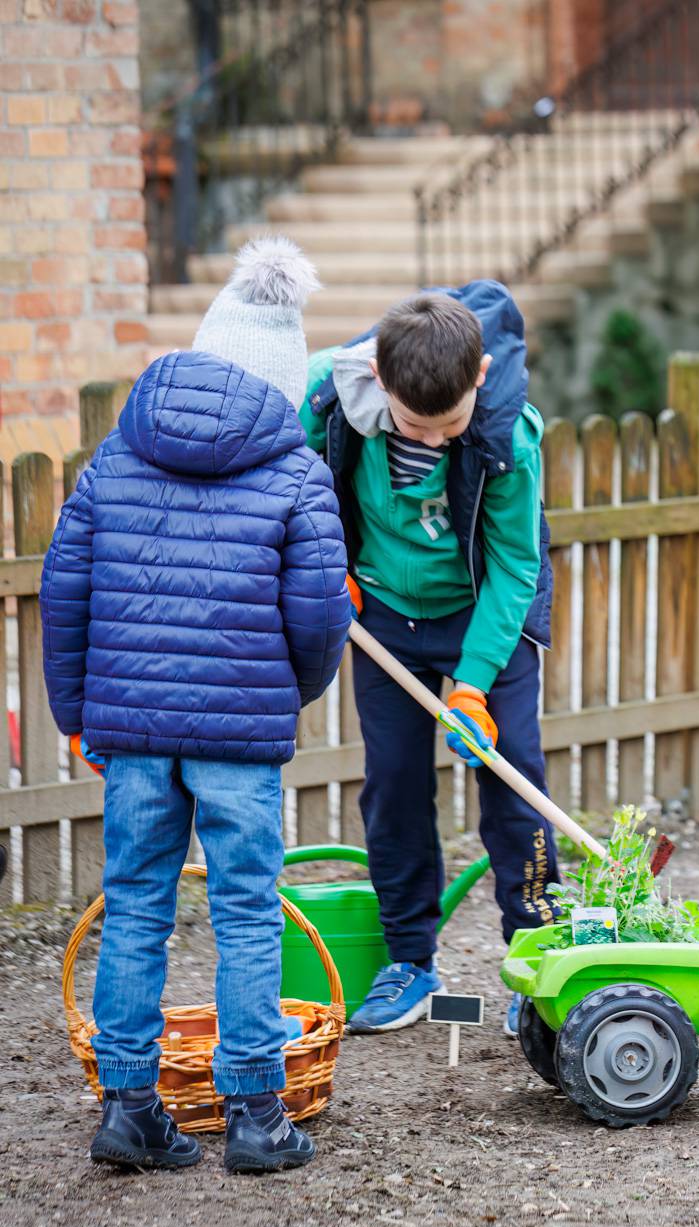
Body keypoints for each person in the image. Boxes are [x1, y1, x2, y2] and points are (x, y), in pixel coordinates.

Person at [41, 237, 352, 1172]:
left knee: (134, 903)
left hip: (130, 734)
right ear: (282, 380)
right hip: (240, 742)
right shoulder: (296, 473)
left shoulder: (115, 456)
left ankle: (129, 1107)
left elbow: (64, 590)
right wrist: (284, 696)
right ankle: (258, 1115)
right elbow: (318, 614)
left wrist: (75, 712)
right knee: (248, 911)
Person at [299, 284, 559, 1036]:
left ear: (479, 375)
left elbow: (515, 566)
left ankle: (536, 953)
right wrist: (329, 566)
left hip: (483, 615)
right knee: (394, 787)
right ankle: (409, 961)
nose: (439, 440)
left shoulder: (507, 439)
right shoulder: (330, 401)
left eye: (451, 426)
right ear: (380, 381)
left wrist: (474, 686)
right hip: (381, 615)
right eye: (418, 427)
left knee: (516, 785)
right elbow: (301, 489)